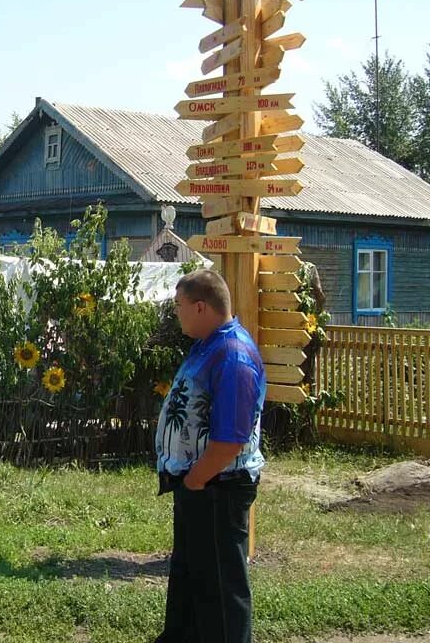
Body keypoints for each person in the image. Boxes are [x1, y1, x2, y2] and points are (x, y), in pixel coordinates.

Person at [153, 269, 266, 643]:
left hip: (219, 487)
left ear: (201, 306)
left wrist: (198, 478)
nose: (176, 312)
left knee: (220, 588)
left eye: (179, 305)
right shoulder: (208, 345)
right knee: (191, 578)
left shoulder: (234, 355)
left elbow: (231, 438)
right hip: (200, 485)